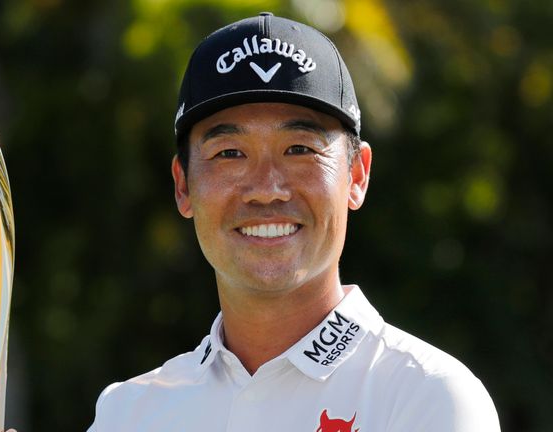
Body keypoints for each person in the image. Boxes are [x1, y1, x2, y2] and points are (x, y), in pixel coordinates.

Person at [87, 12, 501, 431]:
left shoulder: (427, 397)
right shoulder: (127, 413)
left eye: (300, 148)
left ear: (356, 176)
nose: (266, 189)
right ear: (183, 186)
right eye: (229, 153)